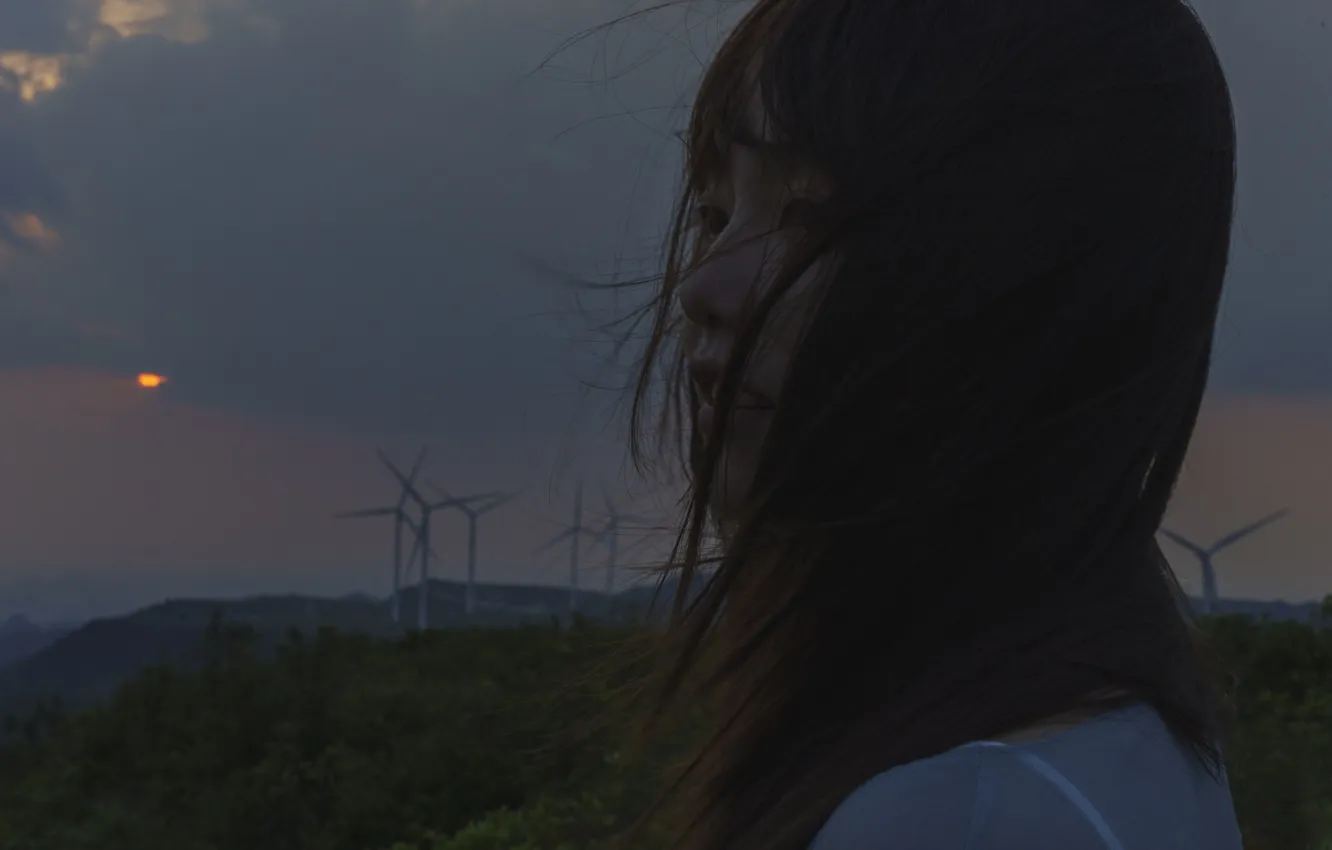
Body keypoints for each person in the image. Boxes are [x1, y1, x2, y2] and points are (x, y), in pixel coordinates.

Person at [613, 0, 1246, 848]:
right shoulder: (1129, 742)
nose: (701, 288)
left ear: (1037, 278)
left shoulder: (963, 813)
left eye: (810, 215)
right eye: (714, 215)